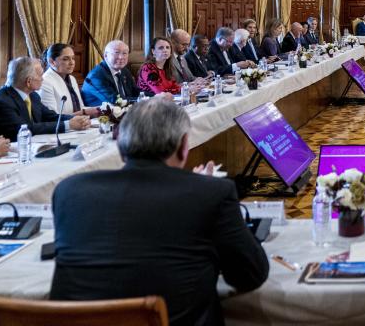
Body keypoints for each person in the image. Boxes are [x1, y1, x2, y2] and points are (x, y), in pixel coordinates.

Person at [50, 98, 269, 325]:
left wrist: (199, 189)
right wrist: (203, 190)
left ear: (119, 144)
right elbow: (250, 275)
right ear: (184, 145)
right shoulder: (212, 193)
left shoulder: (70, 191)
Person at [0, 56, 91, 141]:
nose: (43, 79)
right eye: (40, 75)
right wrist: (68, 125)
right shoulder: (3, 100)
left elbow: (50, 116)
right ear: (29, 81)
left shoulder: (33, 95)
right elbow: (24, 128)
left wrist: (77, 119)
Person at [41, 43, 99, 117]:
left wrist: (98, 110)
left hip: (79, 124)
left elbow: (80, 108)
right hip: (62, 127)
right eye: (66, 59)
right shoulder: (45, 82)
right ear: (52, 62)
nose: (72, 63)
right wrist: (84, 112)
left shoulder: (72, 79)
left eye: (73, 58)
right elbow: (52, 118)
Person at [82, 40, 141, 106]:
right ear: (106, 55)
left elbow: (136, 92)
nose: (121, 57)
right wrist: (143, 100)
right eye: (116, 53)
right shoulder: (96, 76)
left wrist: (153, 97)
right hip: (99, 114)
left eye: (124, 53)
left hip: (123, 112)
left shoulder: (124, 71)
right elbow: (115, 101)